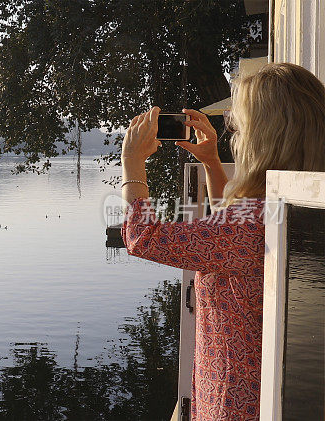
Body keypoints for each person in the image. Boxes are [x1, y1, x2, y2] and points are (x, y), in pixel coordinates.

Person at [119, 62, 325, 421]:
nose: (236, 138)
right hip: (269, 389)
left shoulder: (252, 223)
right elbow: (228, 237)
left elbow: (143, 237)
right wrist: (213, 163)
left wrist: (132, 163)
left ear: (266, 137)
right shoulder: (283, 209)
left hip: (233, 400)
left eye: (241, 129)